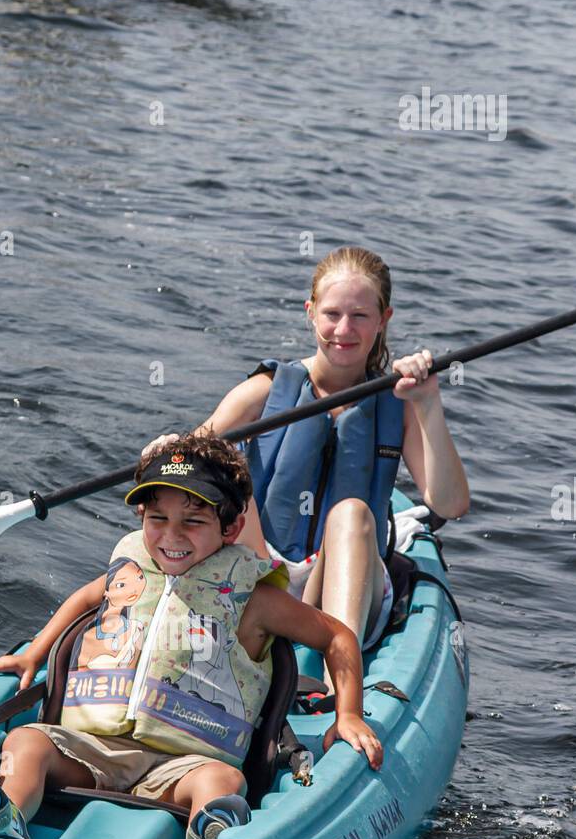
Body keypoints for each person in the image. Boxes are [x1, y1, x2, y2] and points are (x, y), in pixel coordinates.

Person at [0, 432, 383, 839]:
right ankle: (1, 824)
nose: (171, 536)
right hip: (91, 749)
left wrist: (349, 714)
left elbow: (337, 637)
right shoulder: (132, 568)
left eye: (193, 522)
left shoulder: (254, 598)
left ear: (232, 528)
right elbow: (85, 598)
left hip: (183, 765)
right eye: (157, 518)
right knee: (25, 743)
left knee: (223, 780)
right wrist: (34, 653)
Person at [149, 246, 470, 690]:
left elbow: (450, 504)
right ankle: (264, 647)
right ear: (310, 313)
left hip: (349, 578)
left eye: (360, 316)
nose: (344, 329)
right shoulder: (265, 390)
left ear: (384, 319)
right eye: (332, 313)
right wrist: (170, 450)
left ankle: (339, 674)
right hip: (264, 572)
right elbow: (191, 458)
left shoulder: (401, 403)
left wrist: (429, 401)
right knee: (233, 490)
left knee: (353, 512)